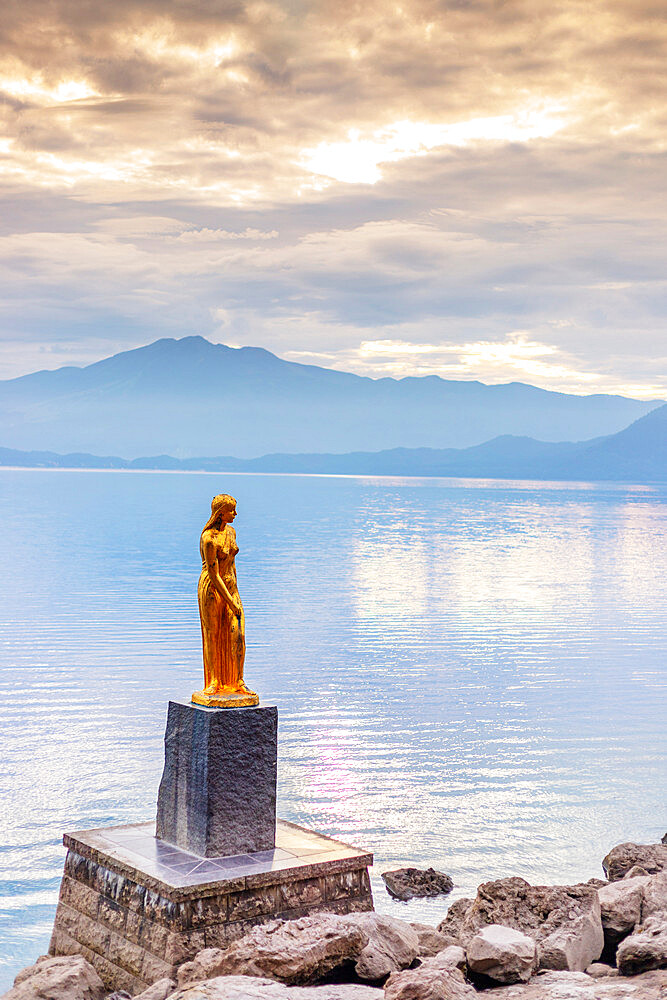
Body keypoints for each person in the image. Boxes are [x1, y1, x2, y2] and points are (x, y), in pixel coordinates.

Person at [192, 494, 258, 707]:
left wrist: (235, 593)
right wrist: (230, 601)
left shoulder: (231, 532)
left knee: (237, 634)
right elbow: (213, 573)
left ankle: (237, 680)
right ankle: (213, 682)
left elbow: (231, 565)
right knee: (214, 635)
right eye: (232, 511)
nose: (236, 514)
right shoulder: (208, 538)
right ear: (221, 513)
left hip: (231, 587)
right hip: (212, 589)